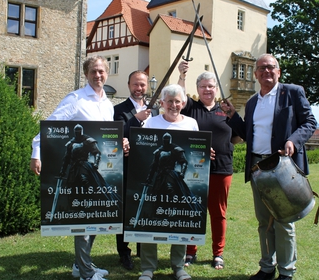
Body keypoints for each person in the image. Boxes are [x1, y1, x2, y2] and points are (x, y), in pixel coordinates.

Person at [30, 56, 129, 280]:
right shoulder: (75, 99)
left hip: (96, 170)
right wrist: (36, 152)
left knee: (97, 214)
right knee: (84, 216)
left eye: (102, 71)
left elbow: (105, 139)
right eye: (93, 71)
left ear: (106, 73)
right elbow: (50, 125)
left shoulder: (107, 104)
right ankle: (85, 273)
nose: (98, 75)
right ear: (86, 74)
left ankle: (80, 265)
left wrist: (120, 141)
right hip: (77, 173)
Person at [220, 54, 317, 280]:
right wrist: (233, 116)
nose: (266, 71)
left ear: (279, 71)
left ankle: (286, 272)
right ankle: (266, 268)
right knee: (264, 221)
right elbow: (248, 135)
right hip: (258, 167)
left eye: (270, 67)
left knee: (284, 220)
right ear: (255, 75)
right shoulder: (253, 102)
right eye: (261, 68)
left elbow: (310, 122)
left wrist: (293, 140)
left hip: (283, 165)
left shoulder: (293, 93)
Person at [177, 61, 241, 270]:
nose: (207, 90)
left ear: (216, 88)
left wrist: (225, 144)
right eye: (203, 86)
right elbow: (178, 95)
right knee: (193, 210)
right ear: (197, 89)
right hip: (194, 169)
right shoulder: (191, 108)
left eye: (211, 86)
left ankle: (218, 253)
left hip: (221, 169)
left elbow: (238, 137)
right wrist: (182, 74)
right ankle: (190, 251)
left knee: (218, 212)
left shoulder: (225, 110)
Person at [138, 84, 201, 280]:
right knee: (152, 213)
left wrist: (183, 172)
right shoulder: (151, 123)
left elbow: (186, 160)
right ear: (162, 103)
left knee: (178, 214)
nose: (173, 105)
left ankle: (178, 265)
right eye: (169, 101)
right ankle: (148, 267)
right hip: (158, 179)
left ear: (182, 103)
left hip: (174, 179)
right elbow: (150, 162)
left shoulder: (191, 123)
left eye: (177, 101)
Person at [113, 70, 158, 270]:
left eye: (142, 84)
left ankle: (143, 249)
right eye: (135, 84)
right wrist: (135, 119)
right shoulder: (119, 109)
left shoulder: (155, 109)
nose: (139, 88)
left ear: (147, 85)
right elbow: (116, 134)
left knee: (145, 206)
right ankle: (124, 252)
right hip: (127, 166)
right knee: (125, 211)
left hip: (148, 167)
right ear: (128, 84)